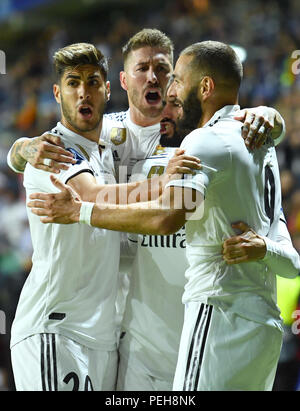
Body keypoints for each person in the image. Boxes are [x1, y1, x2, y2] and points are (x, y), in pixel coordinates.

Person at [7, 29, 288, 391]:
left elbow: (249, 131)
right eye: (142, 68)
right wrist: (23, 147)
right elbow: (53, 157)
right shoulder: (106, 134)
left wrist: (269, 117)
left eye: (163, 69)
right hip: (131, 337)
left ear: (177, 82)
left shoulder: (192, 133)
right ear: (121, 83)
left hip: (189, 326)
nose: (153, 77)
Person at [9, 41, 198, 391]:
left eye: (93, 82)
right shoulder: (54, 149)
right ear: (57, 92)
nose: (84, 93)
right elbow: (93, 196)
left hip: (102, 338)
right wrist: (166, 182)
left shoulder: (105, 150)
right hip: (56, 330)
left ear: (108, 89)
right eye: (73, 83)